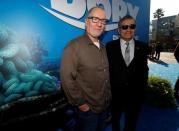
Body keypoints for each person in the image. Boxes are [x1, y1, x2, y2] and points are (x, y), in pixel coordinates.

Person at [60, 6, 111, 131]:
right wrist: (81, 103)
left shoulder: (104, 47)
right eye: (95, 19)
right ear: (86, 21)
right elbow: (66, 79)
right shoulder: (73, 47)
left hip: (104, 106)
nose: (99, 24)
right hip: (88, 111)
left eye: (103, 21)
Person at [106, 15, 149, 131]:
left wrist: (143, 91)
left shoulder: (143, 47)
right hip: (115, 94)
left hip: (135, 95)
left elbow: (144, 70)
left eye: (132, 26)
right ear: (119, 30)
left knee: (131, 122)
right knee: (115, 121)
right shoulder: (109, 47)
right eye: (125, 27)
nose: (129, 30)